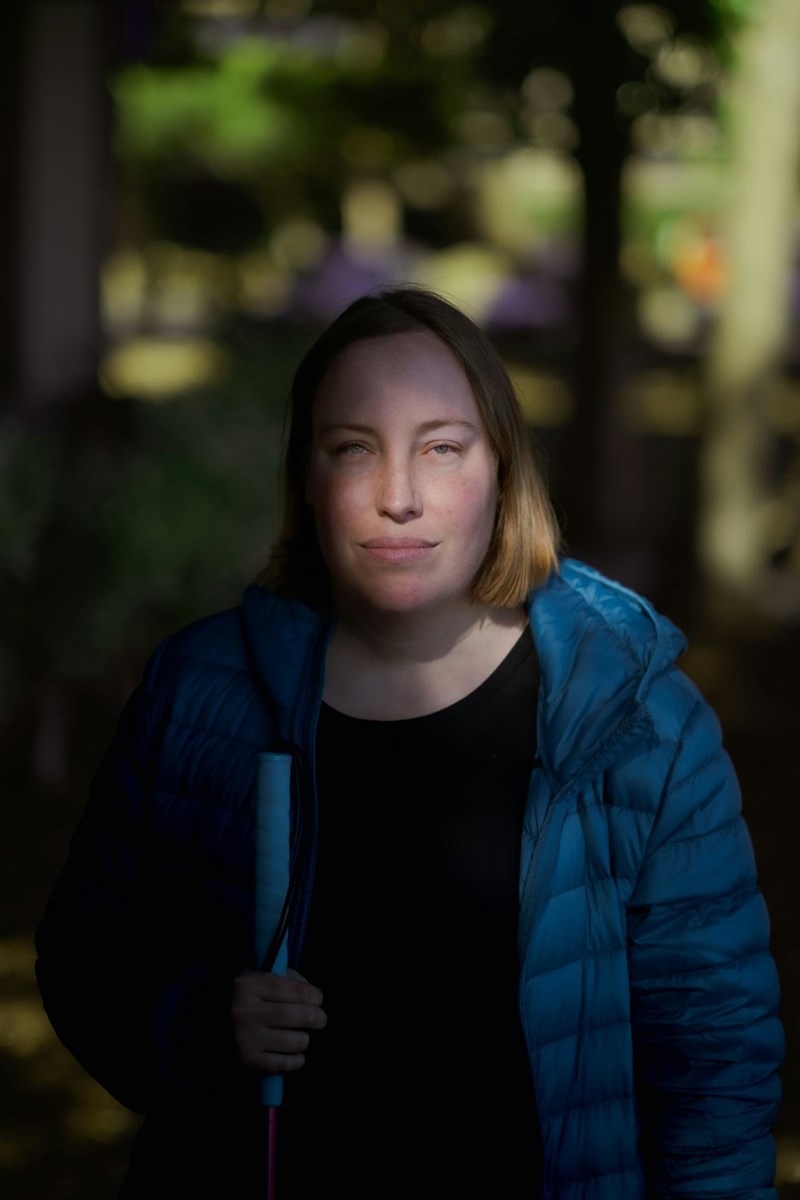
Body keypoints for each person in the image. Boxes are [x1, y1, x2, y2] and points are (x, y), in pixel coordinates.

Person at [35, 286, 784, 1199]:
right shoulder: (199, 691)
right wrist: (196, 1022)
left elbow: (714, 1061)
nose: (397, 498)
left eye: (441, 448)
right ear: (306, 478)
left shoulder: (638, 722)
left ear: (504, 468)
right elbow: (85, 958)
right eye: (354, 448)